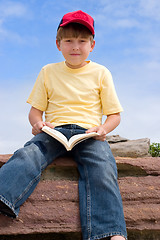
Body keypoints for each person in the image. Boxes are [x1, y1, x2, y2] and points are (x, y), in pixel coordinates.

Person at [0, 10, 127, 240]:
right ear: (58, 44)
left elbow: (114, 115)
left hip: (88, 134)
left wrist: (103, 129)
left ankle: (110, 232)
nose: (75, 46)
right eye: (68, 40)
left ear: (92, 44)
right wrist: (38, 124)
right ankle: (3, 196)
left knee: (103, 166)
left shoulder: (101, 73)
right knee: (28, 154)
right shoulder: (48, 71)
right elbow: (35, 111)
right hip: (54, 131)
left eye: (82, 41)